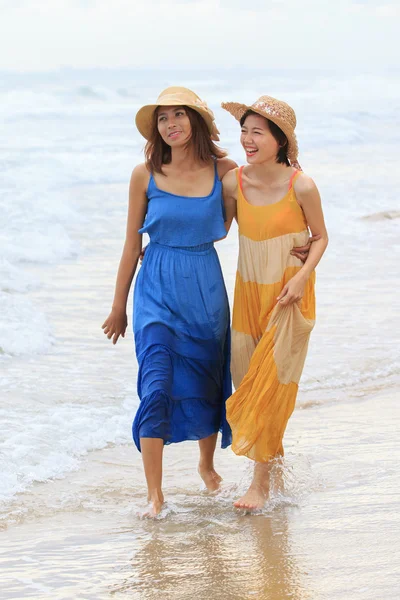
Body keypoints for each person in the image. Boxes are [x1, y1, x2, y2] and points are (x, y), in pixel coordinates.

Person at [102, 87, 236, 517]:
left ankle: (205, 463)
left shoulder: (225, 171)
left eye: (179, 114)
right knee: (156, 385)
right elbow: (130, 244)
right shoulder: (144, 173)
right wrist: (118, 305)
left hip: (203, 286)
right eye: (163, 118)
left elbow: (248, 220)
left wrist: (301, 246)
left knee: (207, 382)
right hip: (155, 287)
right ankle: (155, 495)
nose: (171, 123)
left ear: (196, 121)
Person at [221, 95, 328, 510]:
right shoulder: (234, 182)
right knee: (247, 376)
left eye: (257, 132)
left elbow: (320, 237)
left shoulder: (301, 184)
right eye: (244, 131)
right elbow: (216, 226)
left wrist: (303, 276)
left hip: (289, 294)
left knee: (271, 382)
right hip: (249, 291)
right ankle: (273, 463)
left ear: (280, 140)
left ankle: (260, 485)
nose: (247, 139)